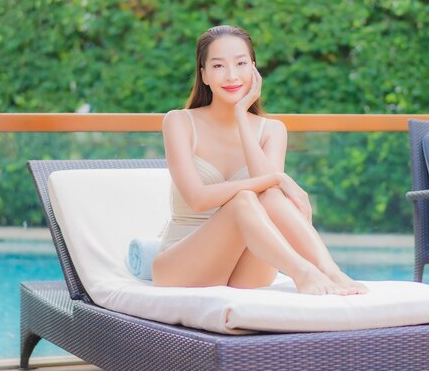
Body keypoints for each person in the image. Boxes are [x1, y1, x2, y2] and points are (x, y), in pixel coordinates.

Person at [151, 25, 367, 296]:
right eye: (218, 66)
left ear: (254, 69)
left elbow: (270, 196)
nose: (231, 75)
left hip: (245, 269)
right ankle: (304, 273)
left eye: (241, 63)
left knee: (267, 196)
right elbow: (197, 198)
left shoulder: (272, 130)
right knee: (246, 198)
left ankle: (330, 271)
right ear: (203, 75)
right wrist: (278, 177)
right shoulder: (179, 122)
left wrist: (242, 114)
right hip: (184, 266)